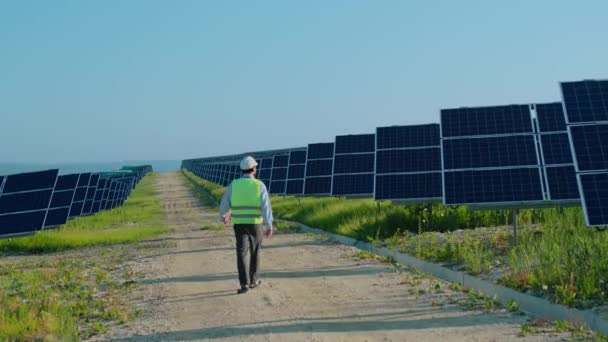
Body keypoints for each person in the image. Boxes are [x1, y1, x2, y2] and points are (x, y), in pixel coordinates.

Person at [219, 156, 274, 294]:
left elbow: (225, 202)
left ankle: (243, 284)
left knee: (241, 253)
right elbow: (266, 206)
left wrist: (224, 215)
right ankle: (253, 281)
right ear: (254, 169)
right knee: (255, 252)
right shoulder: (259, 185)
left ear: (241, 170)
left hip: (239, 224)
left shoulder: (234, 184)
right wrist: (269, 225)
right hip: (256, 224)